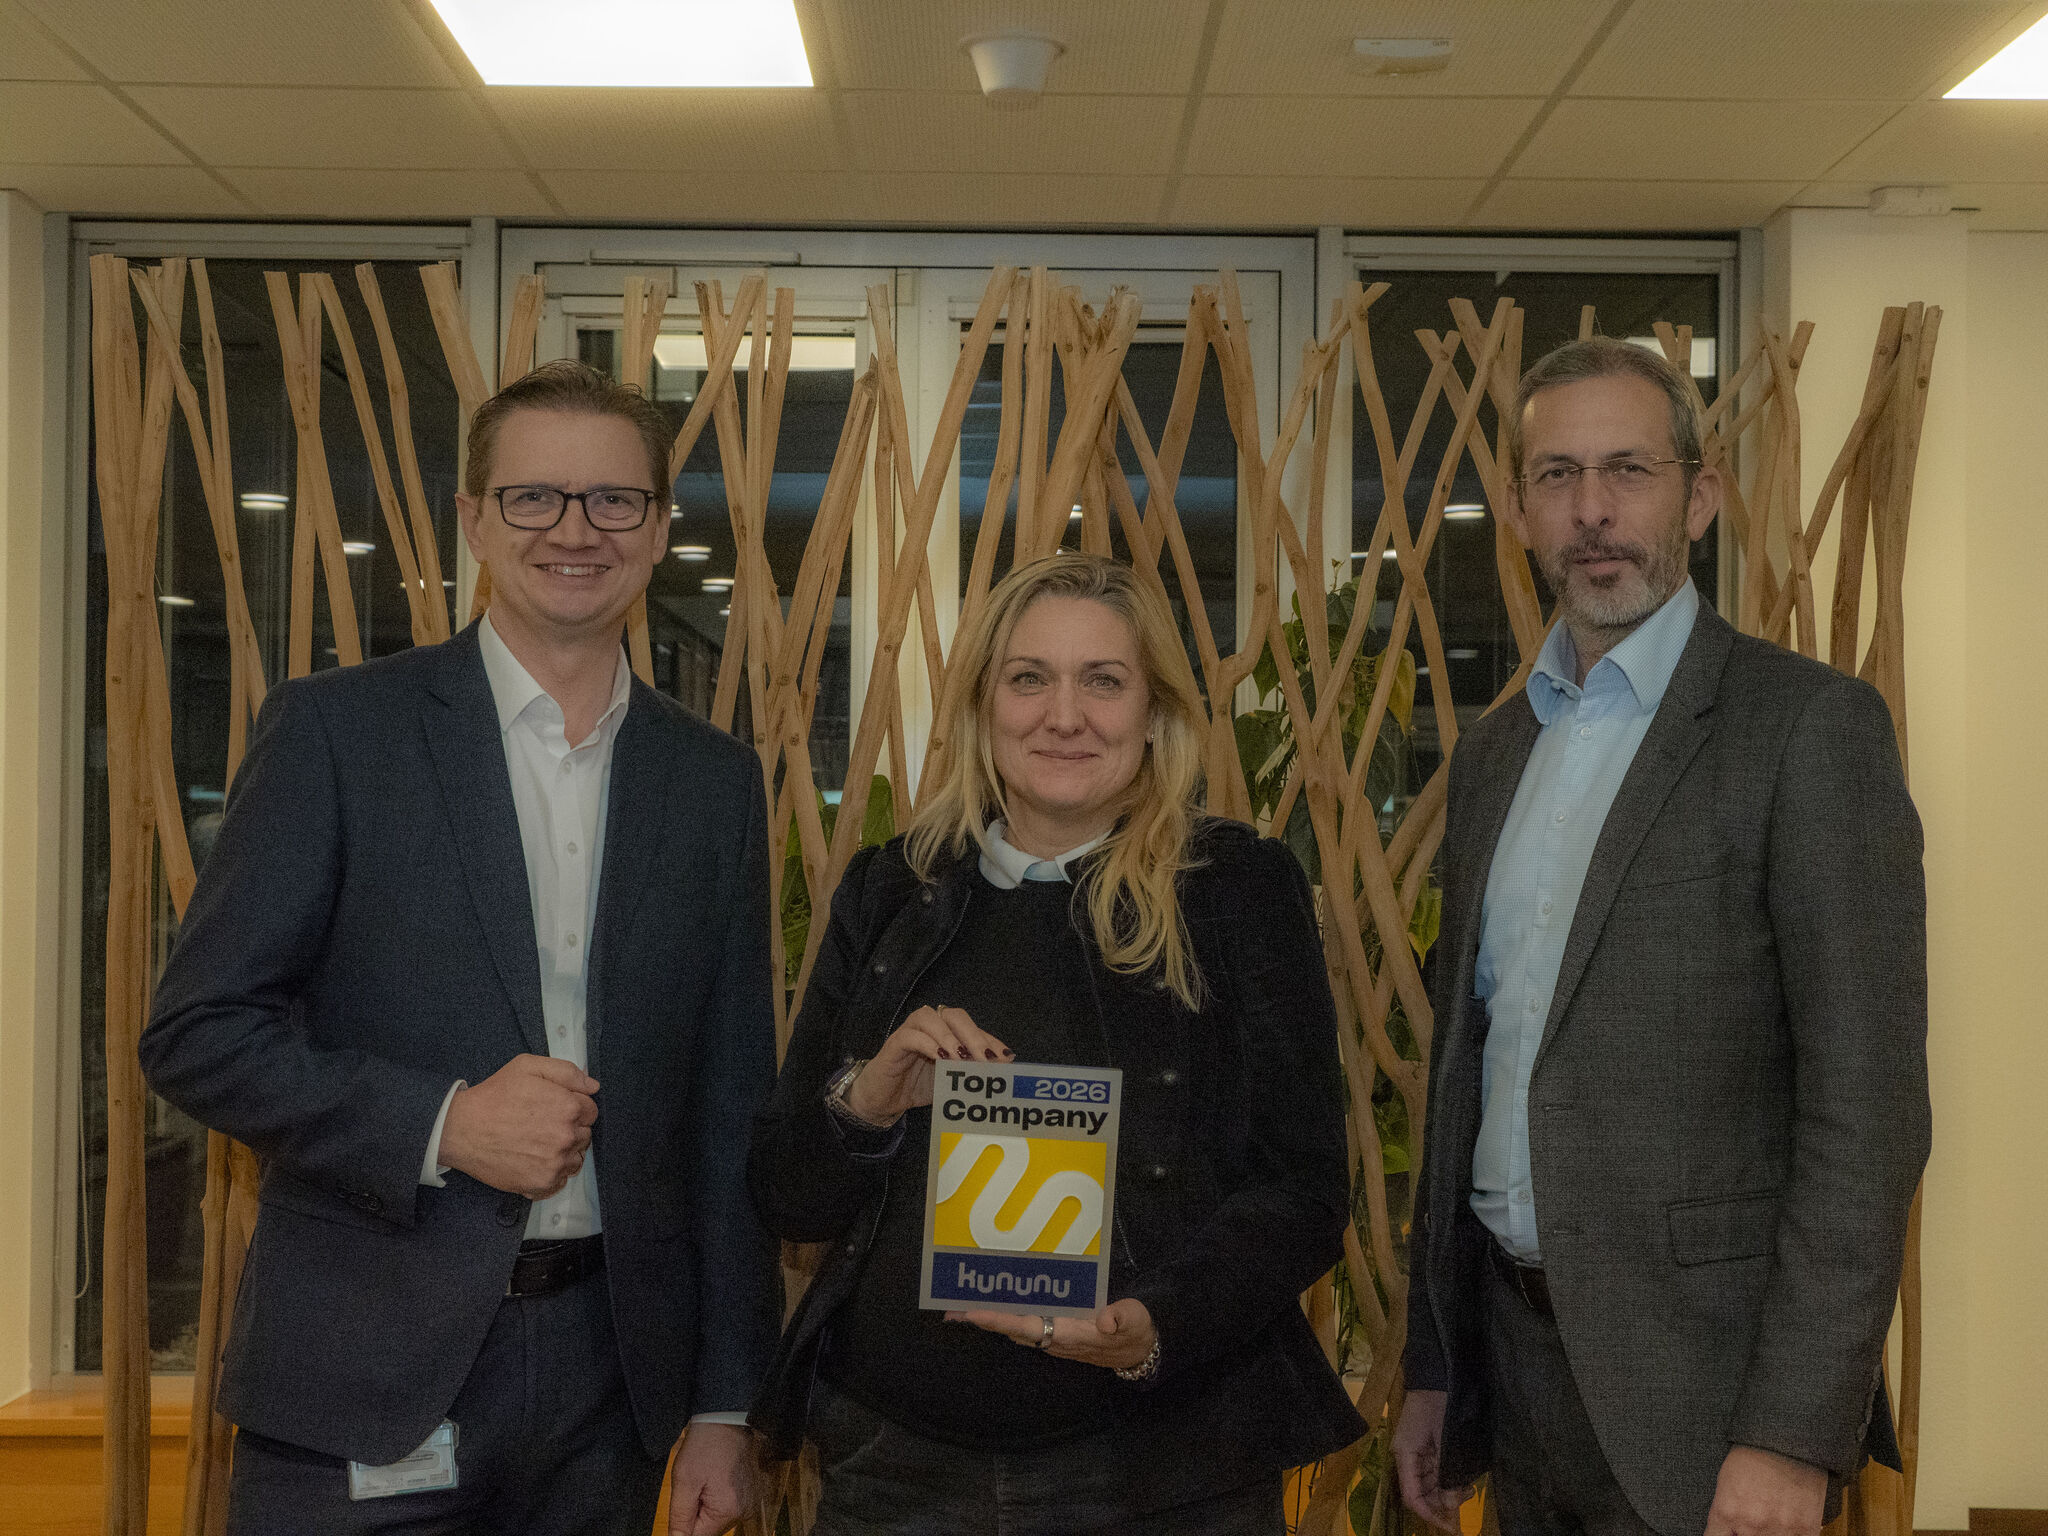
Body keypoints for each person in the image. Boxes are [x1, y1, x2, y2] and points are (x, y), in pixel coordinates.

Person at [140, 360, 781, 1535]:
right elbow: (198, 1034)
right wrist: (445, 1125)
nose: (574, 530)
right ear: (476, 521)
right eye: (534, 497)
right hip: (360, 1371)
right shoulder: (340, 733)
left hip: (608, 1390)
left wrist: (724, 1404)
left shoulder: (714, 782)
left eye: (612, 500)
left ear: (655, 531)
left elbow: (729, 1110)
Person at [1394, 337, 1931, 1536]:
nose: (1590, 510)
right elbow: (1468, 1078)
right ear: (1518, 511)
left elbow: (1867, 1117)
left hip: (1710, 1401)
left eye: (1627, 470)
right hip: (1514, 1376)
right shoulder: (1493, 756)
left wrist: (1789, 1433)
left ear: (1697, 497)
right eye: (1556, 475)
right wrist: (1437, 1365)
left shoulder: (1805, 730)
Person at [746, 552, 1366, 1535]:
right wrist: (866, 1102)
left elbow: (1303, 1192)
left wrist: (1154, 1326)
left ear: (1154, 713)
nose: (1063, 716)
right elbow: (787, 1193)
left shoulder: (1233, 891)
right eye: (1028, 678)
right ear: (982, 707)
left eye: (1103, 681)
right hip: (896, 1469)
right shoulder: (891, 888)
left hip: (1162, 1474)